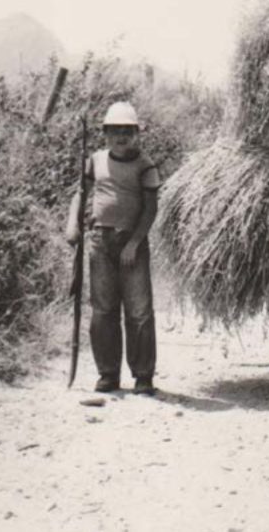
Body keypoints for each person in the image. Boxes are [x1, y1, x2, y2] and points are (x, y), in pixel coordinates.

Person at [66, 101, 161, 395]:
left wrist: (133, 243)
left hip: (132, 244)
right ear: (105, 134)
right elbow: (79, 194)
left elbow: (150, 209)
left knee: (139, 311)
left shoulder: (145, 165)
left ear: (136, 134)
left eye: (127, 131)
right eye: (114, 131)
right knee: (103, 310)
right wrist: (72, 224)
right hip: (100, 242)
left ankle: (143, 376)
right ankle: (108, 374)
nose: (121, 137)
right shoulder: (94, 160)